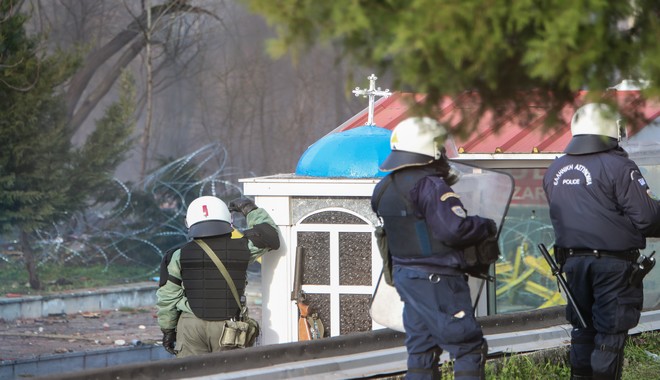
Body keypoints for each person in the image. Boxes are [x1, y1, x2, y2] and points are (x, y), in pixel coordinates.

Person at [371, 117, 498, 380]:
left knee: (421, 351)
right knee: (468, 348)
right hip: (438, 279)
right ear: (431, 149)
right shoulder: (430, 184)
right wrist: (483, 225)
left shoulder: (384, 186)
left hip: (406, 278)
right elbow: (453, 229)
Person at [543, 103, 660, 379]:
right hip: (613, 265)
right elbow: (646, 217)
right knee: (610, 332)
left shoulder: (555, 169)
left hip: (572, 264)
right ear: (612, 130)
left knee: (583, 329)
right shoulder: (620, 167)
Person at [156, 195, 280, 358]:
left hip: (191, 325)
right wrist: (249, 209)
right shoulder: (243, 248)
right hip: (229, 327)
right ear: (228, 220)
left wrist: (168, 331)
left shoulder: (177, 255)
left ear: (189, 223)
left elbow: (167, 298)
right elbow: (268, 235)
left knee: (192, 375)